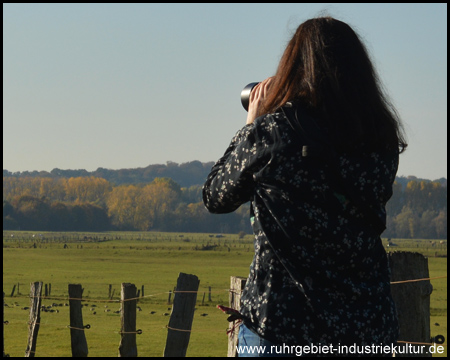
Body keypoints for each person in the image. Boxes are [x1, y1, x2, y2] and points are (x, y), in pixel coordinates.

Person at [203, 16, 407, 357]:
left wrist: (252, 125)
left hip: (283, 323)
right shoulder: (380, 139)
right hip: (366, 325)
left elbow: (216, 195)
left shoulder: (274, 133)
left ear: (293, 69)